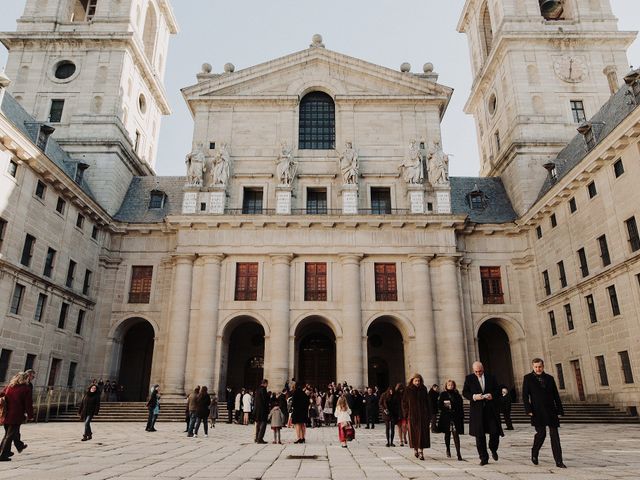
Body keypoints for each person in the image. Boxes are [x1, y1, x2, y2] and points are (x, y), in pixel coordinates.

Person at [522, 358, 566, 468]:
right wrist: (528, 410)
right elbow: (525, 395)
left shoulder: (550, 378)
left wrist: (560, 409)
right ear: (533, 367)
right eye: (536, 367)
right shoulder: (527, 378)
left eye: (540, 366)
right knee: (541, 434)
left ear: (543, 366)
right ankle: (534, 452)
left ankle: (559, 461)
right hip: (537, 411)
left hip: (551, 410)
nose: (538, 369)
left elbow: (555, 394)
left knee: (554, 436)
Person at [462, 361, 504, 466]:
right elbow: (465, 392)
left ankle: (493, 448)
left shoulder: (491, 377)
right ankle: (483, 458)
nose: (478, 373)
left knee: (495, 432)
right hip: (477, 411)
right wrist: (474, 397)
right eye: (476, 371)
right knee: (479, 436)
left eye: (480, 371)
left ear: (483, 369)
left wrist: (492, 395)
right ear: (473, 370)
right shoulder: (469, 378)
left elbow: (498, 390)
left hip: (490, 410)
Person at [0, 372, 34, 461]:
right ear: (25, 379)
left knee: (7, 434)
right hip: (16, 415)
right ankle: (3, 455)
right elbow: (28, 404)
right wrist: (30, 415)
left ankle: (6, 451)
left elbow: (1, 395)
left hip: (6, 414)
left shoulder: (9, 387)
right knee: (9, 435)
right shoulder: (26, 389)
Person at [403, 373, 431, 460]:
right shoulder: (408, 390)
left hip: (423, 415)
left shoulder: (423, 389)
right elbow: (404, 403)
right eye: (416, 380)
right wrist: (407, 414)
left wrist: (428, 413)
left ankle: (421, 452)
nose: (417, 382)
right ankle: (415, 449)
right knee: (414, 434)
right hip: (412, 415)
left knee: (422, 434)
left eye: (419, 380)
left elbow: (427, 402)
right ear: (412, 381)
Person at [438, 379, 464, 461]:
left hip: (454, 417)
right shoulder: (443, 394)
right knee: (447, 434)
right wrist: (445, 407)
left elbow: (460, 405)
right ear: (446, 386)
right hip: (446, 417)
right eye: (449, 385)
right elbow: (439, 405)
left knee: (456, 435)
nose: (450, 386)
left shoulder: (457, 395)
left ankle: (458, 453)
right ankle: (448, 449)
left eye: (452, 385)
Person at [254, 379, 269, 444]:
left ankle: (257, 438)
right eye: (267, 384)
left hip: (257, 410)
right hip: (263, 410)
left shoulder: (257, 390)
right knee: (263, 424)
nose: (267, 385)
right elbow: (265, 400)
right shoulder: (263, 390)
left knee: (258, 424)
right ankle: (260, 439)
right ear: (265, 383)